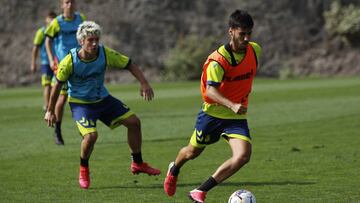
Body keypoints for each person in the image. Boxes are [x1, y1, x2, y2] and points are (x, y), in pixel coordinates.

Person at [44, 21, 161, 189]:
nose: (94, 43)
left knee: (134, 122)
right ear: (81, 41)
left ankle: (138, 163)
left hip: (103, 100)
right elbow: (57, 86)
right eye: (90, 40)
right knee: (91, 137)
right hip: (81, 104)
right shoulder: (69, 61)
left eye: (96, 40)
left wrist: (144, 83)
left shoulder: (105, 53)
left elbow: (129, 64)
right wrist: (50, 110)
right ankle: (84, 168)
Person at [163, 9, 262, 203]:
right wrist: (232, 104)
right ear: (231, 31)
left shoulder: (255, 50)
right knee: (192, 152)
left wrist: (236, 105)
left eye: (249, 33)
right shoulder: (218, 60)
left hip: (236, 118)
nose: (247, 38)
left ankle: (200, 191)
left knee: (243, 156)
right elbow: (210, 91)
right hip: (212, 115)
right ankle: (174, 168)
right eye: (242, 34)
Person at [45, 0, 86, 145]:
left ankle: (85, 130)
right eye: (67, 2)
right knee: (61, 100)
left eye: (72, 2)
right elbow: (47, 41)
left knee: (83, 98)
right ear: (62, 5)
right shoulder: (57, 22)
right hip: (63, 65)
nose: (70, 4)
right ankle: (57, 131)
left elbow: (87, 36)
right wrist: (51, 59)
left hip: (79, 65)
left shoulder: (81, 19)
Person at [30, 11, 57, 111]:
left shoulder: (57, 30)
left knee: (55, 84)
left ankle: (53, 104)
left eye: (53, 18)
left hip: (57, 61)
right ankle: (47, 106)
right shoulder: (41, 32)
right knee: (47, 84)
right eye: (50, 18)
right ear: (46, 19)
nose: (52, 20)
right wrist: (33, 62)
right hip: (46, 62)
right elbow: (35, 48)